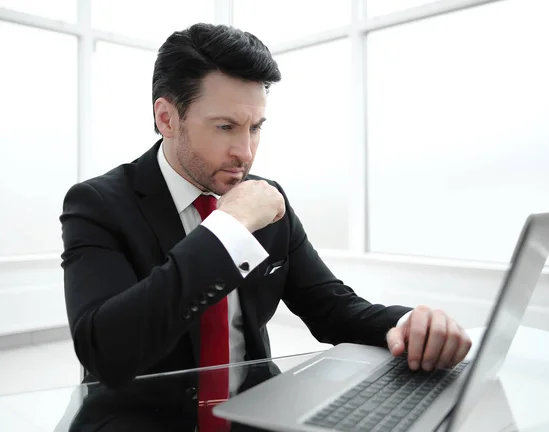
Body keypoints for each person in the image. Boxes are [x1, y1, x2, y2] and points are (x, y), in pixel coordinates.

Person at [60, 23, 471, 431]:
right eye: (225, 127)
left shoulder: (268, 200)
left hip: (254, 413)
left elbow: (329, 306)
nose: (245, 152)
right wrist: (228, 228)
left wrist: (408, 326)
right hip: (142, 422)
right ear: (167, 118)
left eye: (255, 127)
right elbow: (105, 350)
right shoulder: (98, 204)